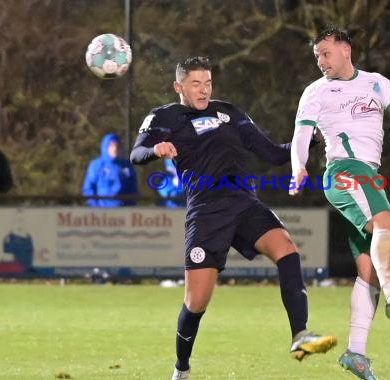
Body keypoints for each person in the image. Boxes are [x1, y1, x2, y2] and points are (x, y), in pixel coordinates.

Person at [130, 56, 337, 380]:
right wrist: (156, 151)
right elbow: (136, 154)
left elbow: (270, 152)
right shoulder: (164, 118)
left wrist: (308, 140)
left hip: (244, 203)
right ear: (178, 86)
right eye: (196, 83)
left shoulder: (229, 113)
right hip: (207, 212)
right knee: (196, 303)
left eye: (208, 83)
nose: (203, 90)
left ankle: (300, 335)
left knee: (286, 248)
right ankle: (181, 369)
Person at [289, 27, 390, 380]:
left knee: (369, 269)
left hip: (367, 173)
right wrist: (299, 168)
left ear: (346, 50)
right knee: (387, 223)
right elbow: (301, 135)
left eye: (326, 53)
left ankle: (355, 353)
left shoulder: (375, 82)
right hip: (344, 170)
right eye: (317, 56)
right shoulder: (315, 91)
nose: (321, 61)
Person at [82, 133, 138, 207]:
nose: (115, 148)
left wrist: (129, 206)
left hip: (123, 212)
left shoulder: (126, 166)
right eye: (111, 145)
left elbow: (133, 188)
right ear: (105, 147)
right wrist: (96, 206)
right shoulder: (96, 165)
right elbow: (88, 189)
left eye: (117, 145)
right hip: (102, 213)